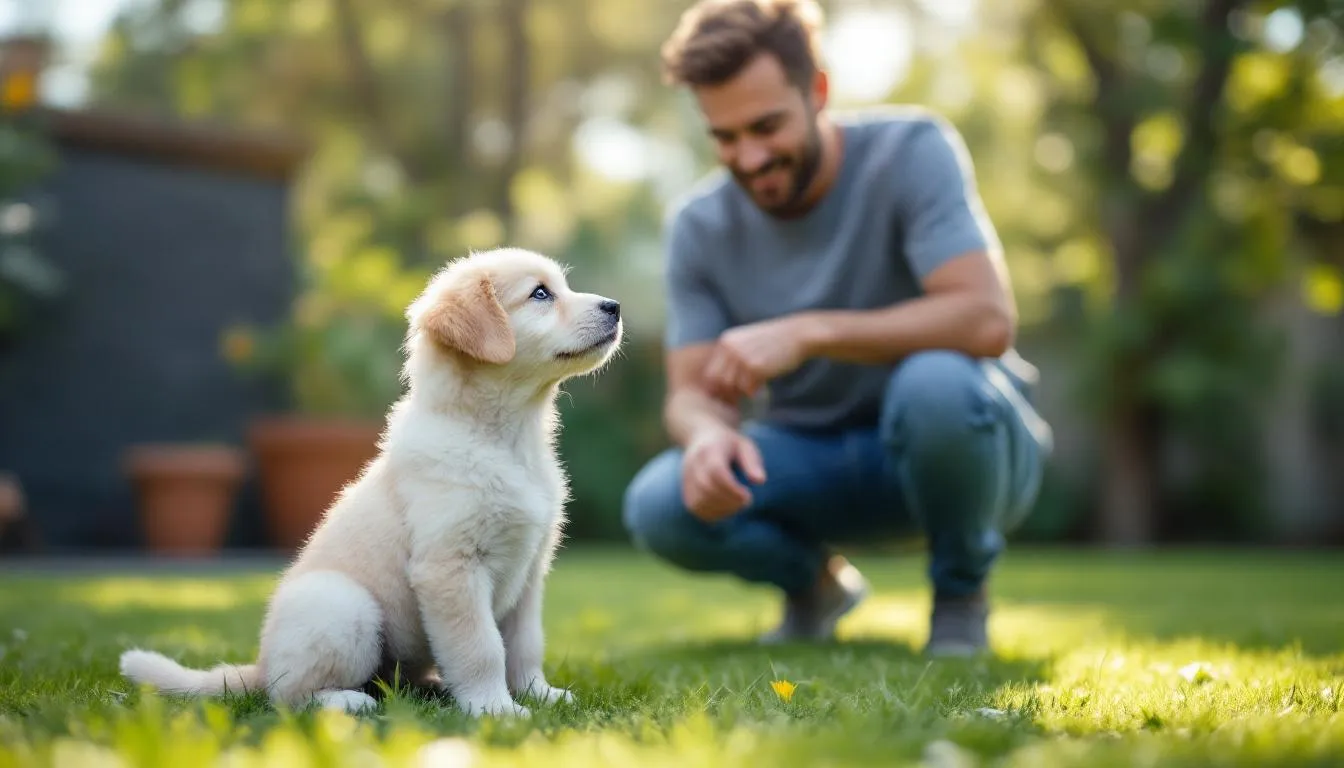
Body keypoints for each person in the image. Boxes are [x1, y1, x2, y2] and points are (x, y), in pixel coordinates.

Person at [620, 0, 1054, 657]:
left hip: (965, 446)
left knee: (934, 383)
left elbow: (986, 319)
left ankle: (961, 600)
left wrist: (810, 331)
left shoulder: (911, 150)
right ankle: (815, 587)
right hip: (811, 461)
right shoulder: (699, 226)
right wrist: (708, 436)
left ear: (817, 90)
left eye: (767, 126)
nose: (751, 157)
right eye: (726, 137)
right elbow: (689, 393)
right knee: (659, 500)